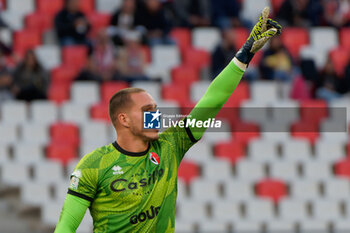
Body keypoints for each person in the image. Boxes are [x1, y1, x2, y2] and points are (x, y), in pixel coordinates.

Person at [54, 8, 282, 232]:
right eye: (147, 111)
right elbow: (66, 226)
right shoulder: (94, 166)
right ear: (123, 119)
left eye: (156, 109)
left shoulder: (170, 146)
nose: (156, 116)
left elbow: (212, 100)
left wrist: (244, 55)